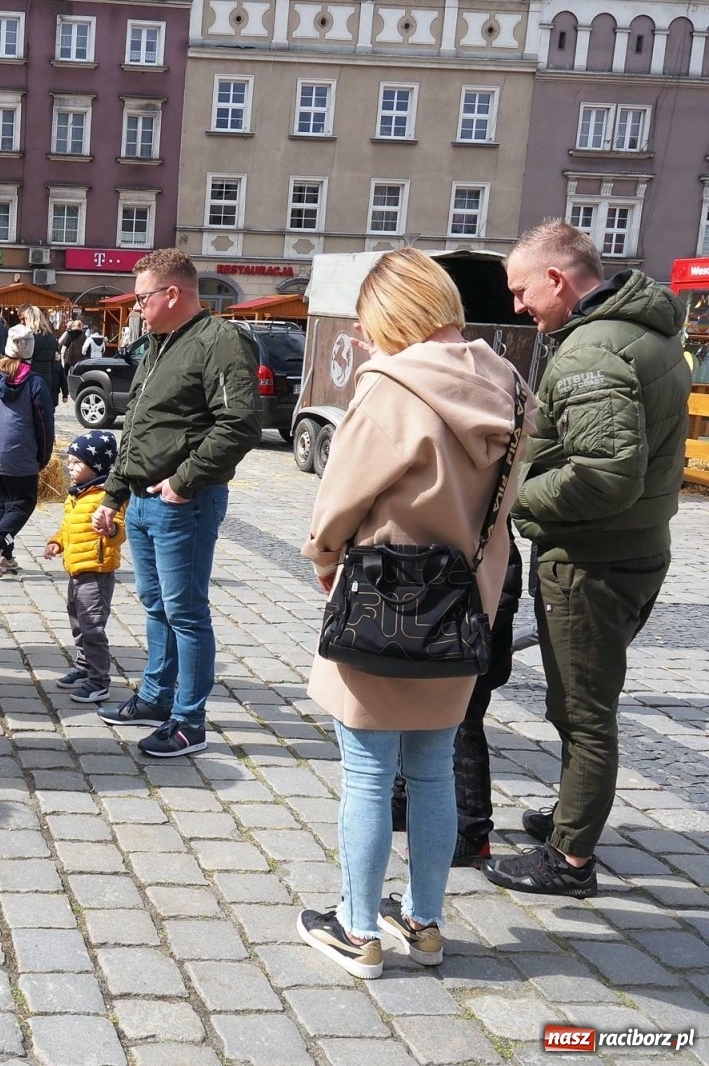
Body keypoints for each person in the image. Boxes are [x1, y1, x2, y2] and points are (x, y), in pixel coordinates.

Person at [296, 248, 532, 979]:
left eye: (370, 325)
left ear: (392, 316)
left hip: (382, 598)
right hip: (464, 602)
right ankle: (424, 923)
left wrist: (324, 554)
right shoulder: (513, 386)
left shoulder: (393, 385)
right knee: (431, 769)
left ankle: (358, 928)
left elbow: (342, 495)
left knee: (369, 772)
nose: (366, 340)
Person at [482, 220, 690, 898]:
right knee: (585, 702)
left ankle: (569, 861)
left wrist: (516, 499)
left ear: (556, 279)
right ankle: (575, 818)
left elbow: (603, 474)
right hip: (636, 548)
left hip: (590, 560)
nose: (518, 307)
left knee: (582, 710)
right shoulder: (647, 332)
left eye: (521, 291)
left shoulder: (592, 352)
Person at [91, 248, 260, 757]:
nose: (136, 307)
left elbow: (240, 423)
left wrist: (184, 482)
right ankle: (155, 697)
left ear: (172, 293)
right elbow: (138, 427)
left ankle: (190, 721)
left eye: (142, 298)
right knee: (156, 605)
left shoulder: (221, 340)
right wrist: (113, 495)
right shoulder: (159, 344)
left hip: (182, 501)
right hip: (144, 501)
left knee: (186, 612)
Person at [391, 543, 522, 869]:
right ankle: (403, 793)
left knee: (463, 712)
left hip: (473, 576)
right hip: (447, 568)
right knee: (412, 690)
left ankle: (470, 830)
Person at [46, 430, 126, 705]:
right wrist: (57, 542)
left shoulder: (109, 496)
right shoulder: (76, 495)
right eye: (69, 461)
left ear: (97, 467)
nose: (70, 467)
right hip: (76, 570)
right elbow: (69, 527)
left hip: (96, 572)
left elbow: (121, 533)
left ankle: (99, 681)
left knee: (93, 627)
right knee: (79, 623)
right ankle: (83, 666)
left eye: (77, 463)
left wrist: (111, 527)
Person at [0, 324, 53, 576]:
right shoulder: (35, 382)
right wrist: (43, 455)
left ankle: (4, 556)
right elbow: (44, 423)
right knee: (23, 502)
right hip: (21, 452)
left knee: (0, 505)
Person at [21, 305, 61, 406]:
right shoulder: (51, 337)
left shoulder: (29, 337)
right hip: (47, 378)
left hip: (29, 377)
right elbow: (52, 361)